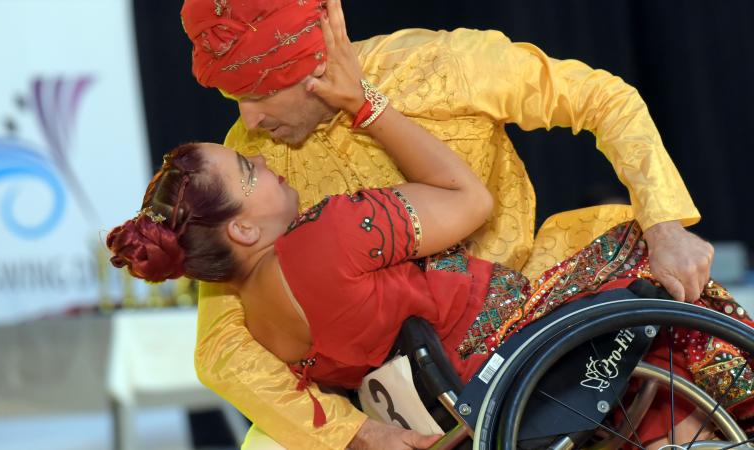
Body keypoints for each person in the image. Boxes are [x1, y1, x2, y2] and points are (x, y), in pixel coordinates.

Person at [177, 0, 718, 448]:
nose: (248, 119)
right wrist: (353, 432)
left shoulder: (434, 67)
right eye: (234, 99)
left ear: (318, 65)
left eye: (258, 94)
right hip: (379, 390)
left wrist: (665, 222)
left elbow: (603, 98)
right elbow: (221, 347)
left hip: (520, 309)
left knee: (660, 275)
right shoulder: (247, 160)